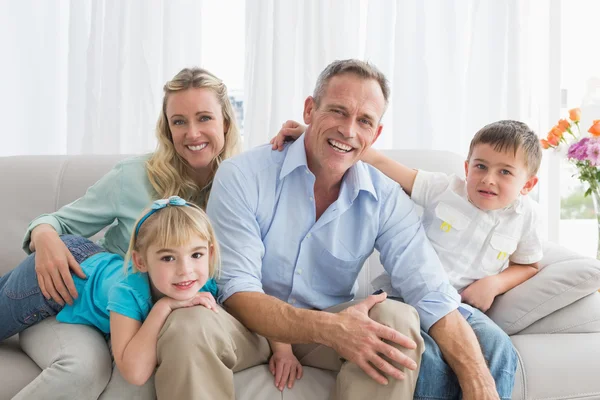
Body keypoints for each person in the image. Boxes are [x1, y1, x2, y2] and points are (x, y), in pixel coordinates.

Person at [155, 59, 514, 400]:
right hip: (246, 328)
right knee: (188, 326)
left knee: (398, 319)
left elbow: (432, 292)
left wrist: (479, 384)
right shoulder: (243, 175)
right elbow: (237, 289)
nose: (348, 130)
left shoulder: (386, 197)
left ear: (376, 133)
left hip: (328, 331)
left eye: (364, 121)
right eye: (338, 111)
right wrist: (330, 329)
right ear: (310, 110)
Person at [8, 67, 241, 400]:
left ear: (226, 124)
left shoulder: (240, 187)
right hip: (78, 306)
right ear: (167, 127)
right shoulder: (133, 177)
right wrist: (44, 238)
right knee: (83, 368)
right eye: (179, 121)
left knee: (143, 377)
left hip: (136, 321)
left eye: (204, 118)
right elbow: (56, 223)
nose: (192, 133)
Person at [272, 120, 543, 312]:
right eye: (480, 167)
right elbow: (378, 161)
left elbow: (529, 265)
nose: (488, 180)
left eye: (505, 172)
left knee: (497, 349)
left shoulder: (526, 215)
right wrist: (312, 135)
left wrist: (494, 284)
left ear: (528, 185)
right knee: (428, 358)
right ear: (467, 167)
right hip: (403, 299)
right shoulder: (445, 189)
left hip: (463, 308)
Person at [1, 196, 220, 386]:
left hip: (91, 258)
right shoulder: (127, 292)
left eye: (196, 255)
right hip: (57, 275)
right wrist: (163, 306)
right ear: (140, 261)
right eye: (168, 258)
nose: (185, 270)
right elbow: (134, 373)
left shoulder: (203, 284)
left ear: (209, 254)